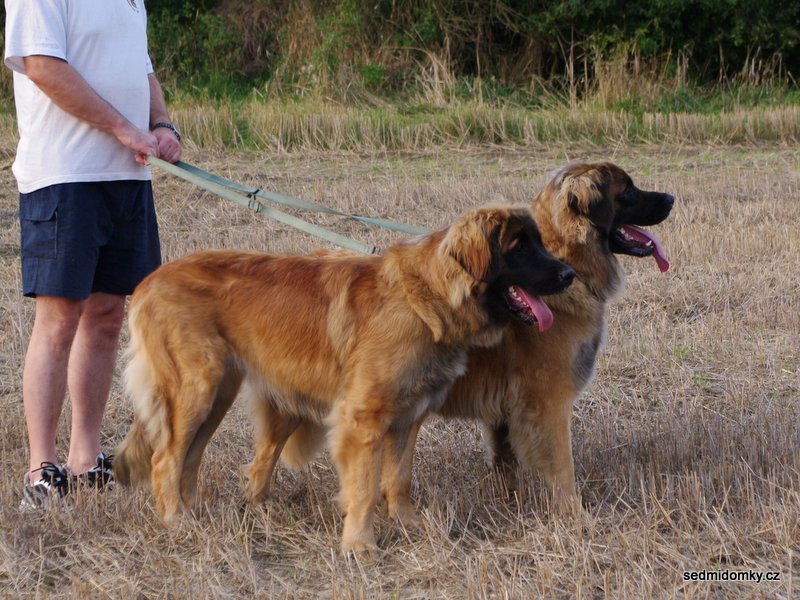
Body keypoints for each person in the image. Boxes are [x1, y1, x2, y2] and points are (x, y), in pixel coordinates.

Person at [4, 0, 182, 509]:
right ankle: (41, 469)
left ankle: (85, 457)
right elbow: (42, 65)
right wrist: (122, 127)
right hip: (65, 174)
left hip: (128, 175)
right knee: (59, 318)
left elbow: (142, 67)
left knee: (107, 316)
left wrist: (162, 124)